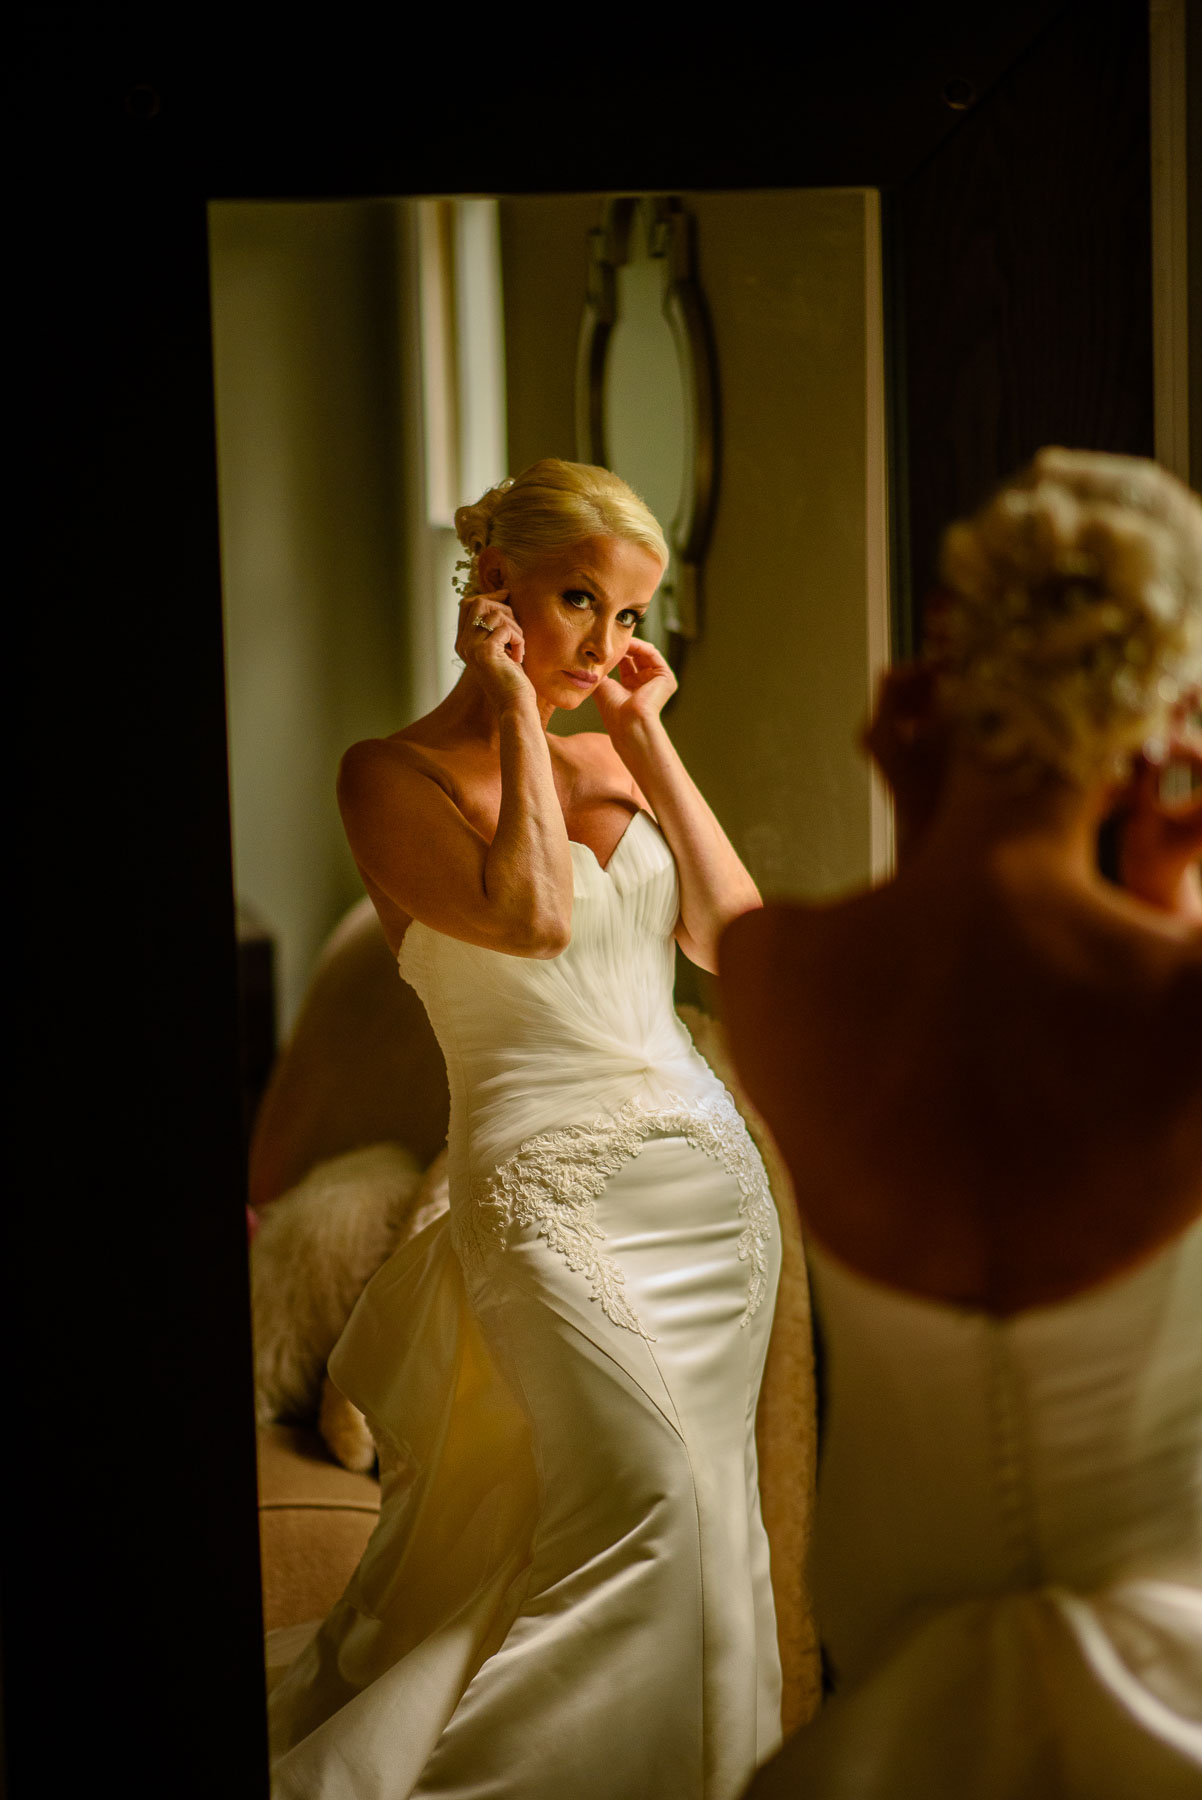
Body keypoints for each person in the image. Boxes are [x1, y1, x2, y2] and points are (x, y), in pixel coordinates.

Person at [267, 459, 782, 1800]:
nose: (606, 648)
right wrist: (504, 703)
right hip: (544, 1195)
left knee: (707, 1519)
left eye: (628, 620)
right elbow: (535, 916)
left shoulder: (617, 750)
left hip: (706, 1187)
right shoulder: (384, 776)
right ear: (491, 588)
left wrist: (649, 738)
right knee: (648, 1503)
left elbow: (738, 942)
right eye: (578, 604)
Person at [722, 448, 1202, 1799]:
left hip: (891, 1700)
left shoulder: (775, 977)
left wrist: (923, 828)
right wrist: (1172, 905)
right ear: (1167, 718)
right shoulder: (1179, 1004)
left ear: (935, 670)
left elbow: (950, 983)